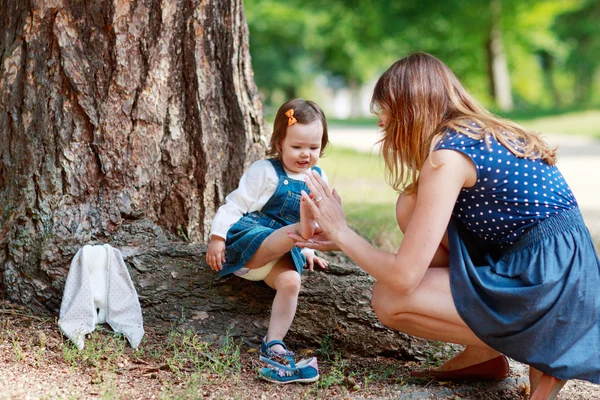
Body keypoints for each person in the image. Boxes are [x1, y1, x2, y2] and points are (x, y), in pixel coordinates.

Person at [291, 52, 600, 399]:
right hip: (566, 273)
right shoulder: (479, 134)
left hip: (547, 285)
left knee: (390, 299)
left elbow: (404, 277)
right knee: (410, 204)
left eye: (387, 110)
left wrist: (344, 234)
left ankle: (540, 342)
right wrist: (341, 239)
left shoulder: (448, 157)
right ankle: (486, 354)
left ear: (411, 108)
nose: (381, 123)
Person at [206, 98, 328, 384]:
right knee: (290, 233)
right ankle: (305, 229)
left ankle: (273, 342)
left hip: (278, 257)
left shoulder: (317, 176)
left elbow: (293, 248)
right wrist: (217, 238)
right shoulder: (264, 170)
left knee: (291, 283)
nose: (305, 155)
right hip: (250, 246)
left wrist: (307, 251)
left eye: (313, 148)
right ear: (279, 143)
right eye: (296, 147)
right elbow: (234, 205)